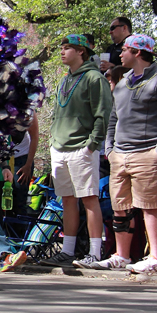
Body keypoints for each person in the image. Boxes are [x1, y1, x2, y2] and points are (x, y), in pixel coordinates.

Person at [95, 34, 157, 274]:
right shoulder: (123, 82)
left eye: (124, 49)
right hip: (120, 155)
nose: (120, 53)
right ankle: (121, 256)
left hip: (149, 152)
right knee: (119, 207)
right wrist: (110, 150)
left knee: (150, 205)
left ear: (137, 52)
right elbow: (114, 118)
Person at [38, 35, 112, 269]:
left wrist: (92, 144)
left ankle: (94, 253)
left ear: (81, 51)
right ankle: (67, 251)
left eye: (67, 48)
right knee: (67, 200)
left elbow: (103, 113)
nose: (62, 51)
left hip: (82, 147)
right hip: (59, 148)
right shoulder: (63, 80)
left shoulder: (94, 78)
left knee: (89, 199)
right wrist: (52, 140)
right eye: (61, 47)